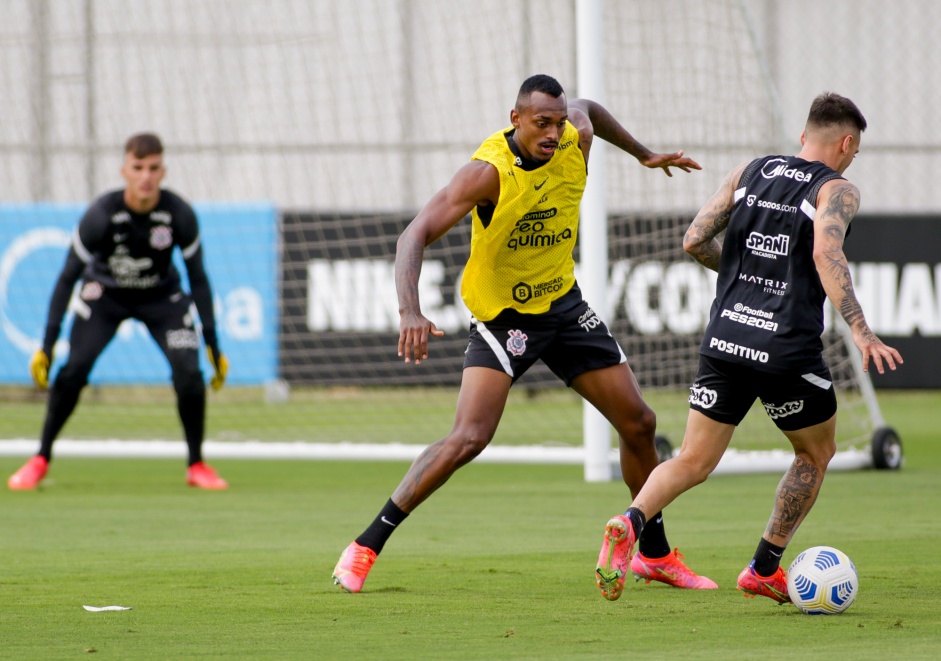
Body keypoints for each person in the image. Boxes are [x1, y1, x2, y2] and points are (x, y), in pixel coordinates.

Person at [332, 74, 713, 596]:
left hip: (563, 305)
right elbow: (413, 234)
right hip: (504, 317)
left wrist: (644, 155)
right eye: (541, 123)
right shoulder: (487, 174)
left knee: (639, 422)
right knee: (470, 438)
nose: (554, 133)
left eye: (557, 122)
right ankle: (365, 546)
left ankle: (653, 554)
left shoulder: (574, 135)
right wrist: (409, 311)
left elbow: (590, 110)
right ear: (516, 120)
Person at [595, 92, 903, 603]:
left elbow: (694, 240)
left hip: (724, 340)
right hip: (785, 349)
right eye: (855, 150)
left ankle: (631, 520)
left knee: (693, 458)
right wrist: (862, 331)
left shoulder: (748, 171)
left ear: (804, 135)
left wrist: (745, 274)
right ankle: (763, 567)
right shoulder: (839, 189)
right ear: (846, 143)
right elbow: (826, 250)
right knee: (815, 451)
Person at [8, 132, 231, 491]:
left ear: (163, 171)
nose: (146, 176)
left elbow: (198, 279)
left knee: (189, 373)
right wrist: (46, 346)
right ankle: (40, 458)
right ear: (124, 170)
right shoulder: (101, 214)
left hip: (162, 297)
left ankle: (197, 464)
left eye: (154, 168)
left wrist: (213, 345)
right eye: (138, 167)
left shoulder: (178, 214)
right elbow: (66, 279)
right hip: (105, 296)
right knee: (74, 370)